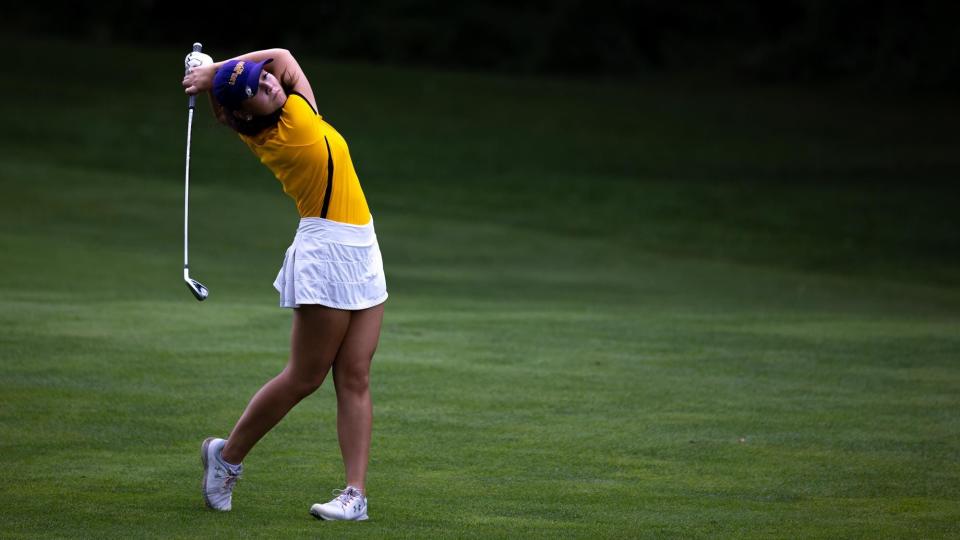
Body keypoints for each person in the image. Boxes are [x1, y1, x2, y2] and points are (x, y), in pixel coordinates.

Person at [182, 48, 387, 521]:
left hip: (362, 246)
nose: (270, 83)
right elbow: (284, 63)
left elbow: (282, 57)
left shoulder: (288, 108)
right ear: (242, 114)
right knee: (305, 376)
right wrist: (216, 76)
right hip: (327, 252)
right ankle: (227, 456)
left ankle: (355, 496)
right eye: (256, 89)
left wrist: (218, 72)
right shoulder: (286, 131)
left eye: (263, 80)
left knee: (355, 375)